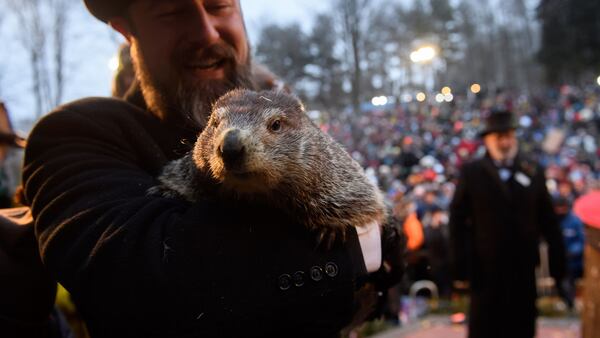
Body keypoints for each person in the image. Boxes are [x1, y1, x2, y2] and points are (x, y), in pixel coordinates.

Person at [20, 1, 404, 337]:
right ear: (126, 31)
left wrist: (376, 226)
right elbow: (135, 277)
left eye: (219, 6)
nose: (205, 32)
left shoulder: (287, 109)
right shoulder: (76, 133)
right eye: (171, 10)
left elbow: (382, 237)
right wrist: (359, 247)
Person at [449, 110, 566, 338]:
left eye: (508, 135)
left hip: (522, 268)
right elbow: (457, 221)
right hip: (485, 269)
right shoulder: (472, 172)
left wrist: (558, 268)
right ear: (487, 140)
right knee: (486, 327)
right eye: (498, 136)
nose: (504, 141)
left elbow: (549, 221)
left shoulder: (532, 171)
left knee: (521, 326)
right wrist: (460, 266)